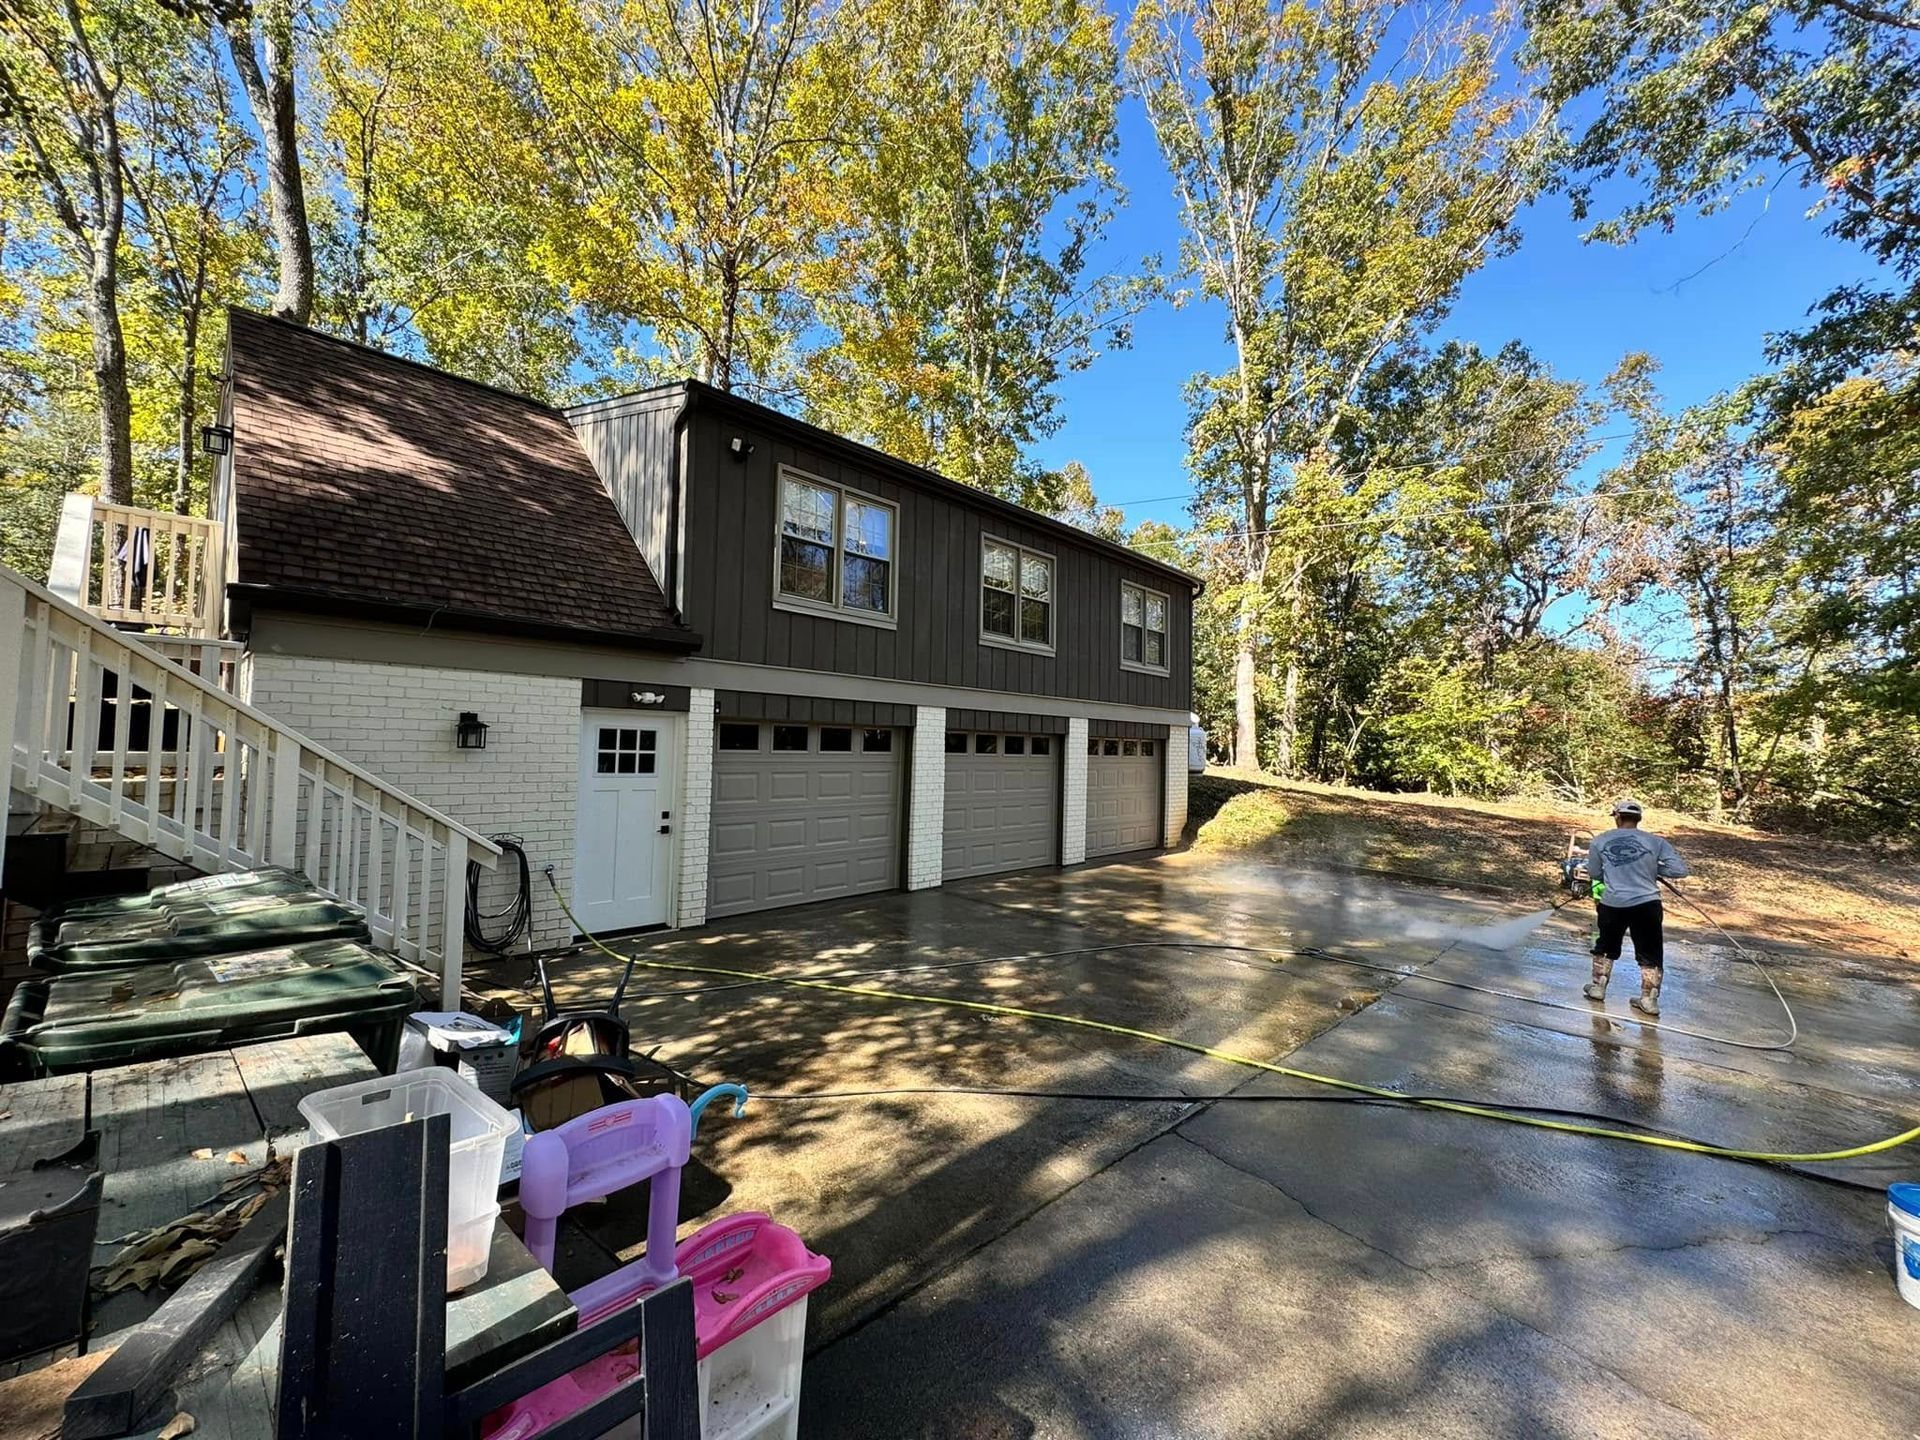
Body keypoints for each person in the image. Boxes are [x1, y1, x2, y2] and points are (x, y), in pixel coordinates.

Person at [1583, 799, 1689, 1016]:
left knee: (1606, 944)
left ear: (1618, 817)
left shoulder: (1600, 841)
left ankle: (1598, 987)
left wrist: (1614, 871)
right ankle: (1649, 1000)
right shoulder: (1656, 842)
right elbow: (1679, 870)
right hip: (1647, 904)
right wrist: (1653, 867)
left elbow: (1594, 873)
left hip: (1613, 902)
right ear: (1638, 819)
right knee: (1650, 950)